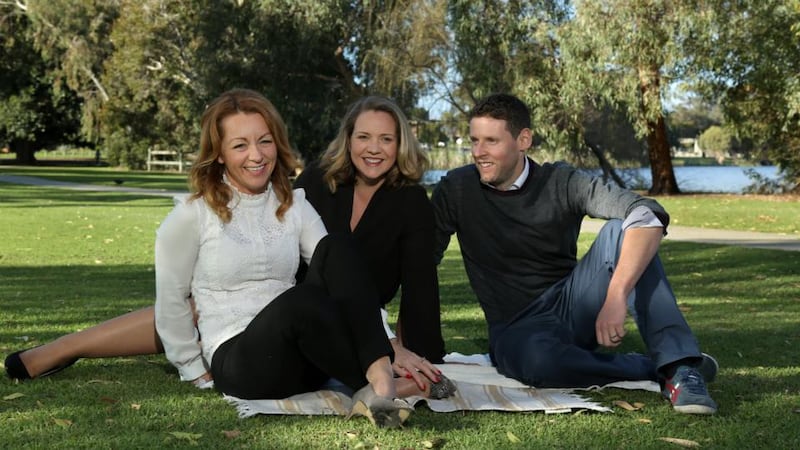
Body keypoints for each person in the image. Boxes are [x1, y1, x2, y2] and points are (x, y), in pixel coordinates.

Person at [7, 89, 415, 428]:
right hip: (241, 357)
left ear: (277, 142)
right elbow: (170, 301)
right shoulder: (191, 215)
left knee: (338, 247)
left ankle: (381, 382)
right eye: (240, 145)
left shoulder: (295, 204)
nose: (256, 155)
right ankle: (381, 380)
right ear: (218, 153)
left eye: (264, 141)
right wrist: (191, 368)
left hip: (302, 356)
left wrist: (385, 341)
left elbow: (343, 276)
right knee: (301, 302)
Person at [430, 93, 719, 415]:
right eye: (474, 141)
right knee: (540, 366)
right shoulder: (456, 189)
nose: (479, 152)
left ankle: (681, 366)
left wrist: (616, 294)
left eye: (491, 141)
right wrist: (407, 344)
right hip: (516, 330)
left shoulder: (562, 181)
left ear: (523, 140)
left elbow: (647, 213)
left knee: (622, 230)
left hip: (573, 307)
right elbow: (423, 260)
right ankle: (657, 368)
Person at [294, 95, 448, 394]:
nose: (374, 149)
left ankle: (389, 377)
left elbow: (420, 284)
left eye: (386, 139)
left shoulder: (412, 202)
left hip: (363, 326)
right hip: (300, 312)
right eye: (363, 137)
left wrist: (415, 352)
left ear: (399, 144)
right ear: (348, 140)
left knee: (409, 368)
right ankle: (382, 380)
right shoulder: (315, 181)